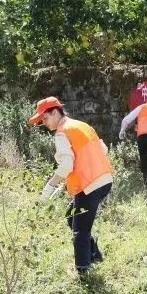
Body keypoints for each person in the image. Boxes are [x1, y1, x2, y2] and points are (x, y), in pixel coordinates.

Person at [29, 97, 113, 278]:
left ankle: (84, 274)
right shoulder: (82, 126)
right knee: (71, 216)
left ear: (55, 112)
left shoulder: (62, 132)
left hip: (89, 185)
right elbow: (104, 149)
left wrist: (48, 188)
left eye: (45, 118)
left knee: (80, 230)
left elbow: (67, 165)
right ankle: (94, 254)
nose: (44, 123)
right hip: (105, 180)